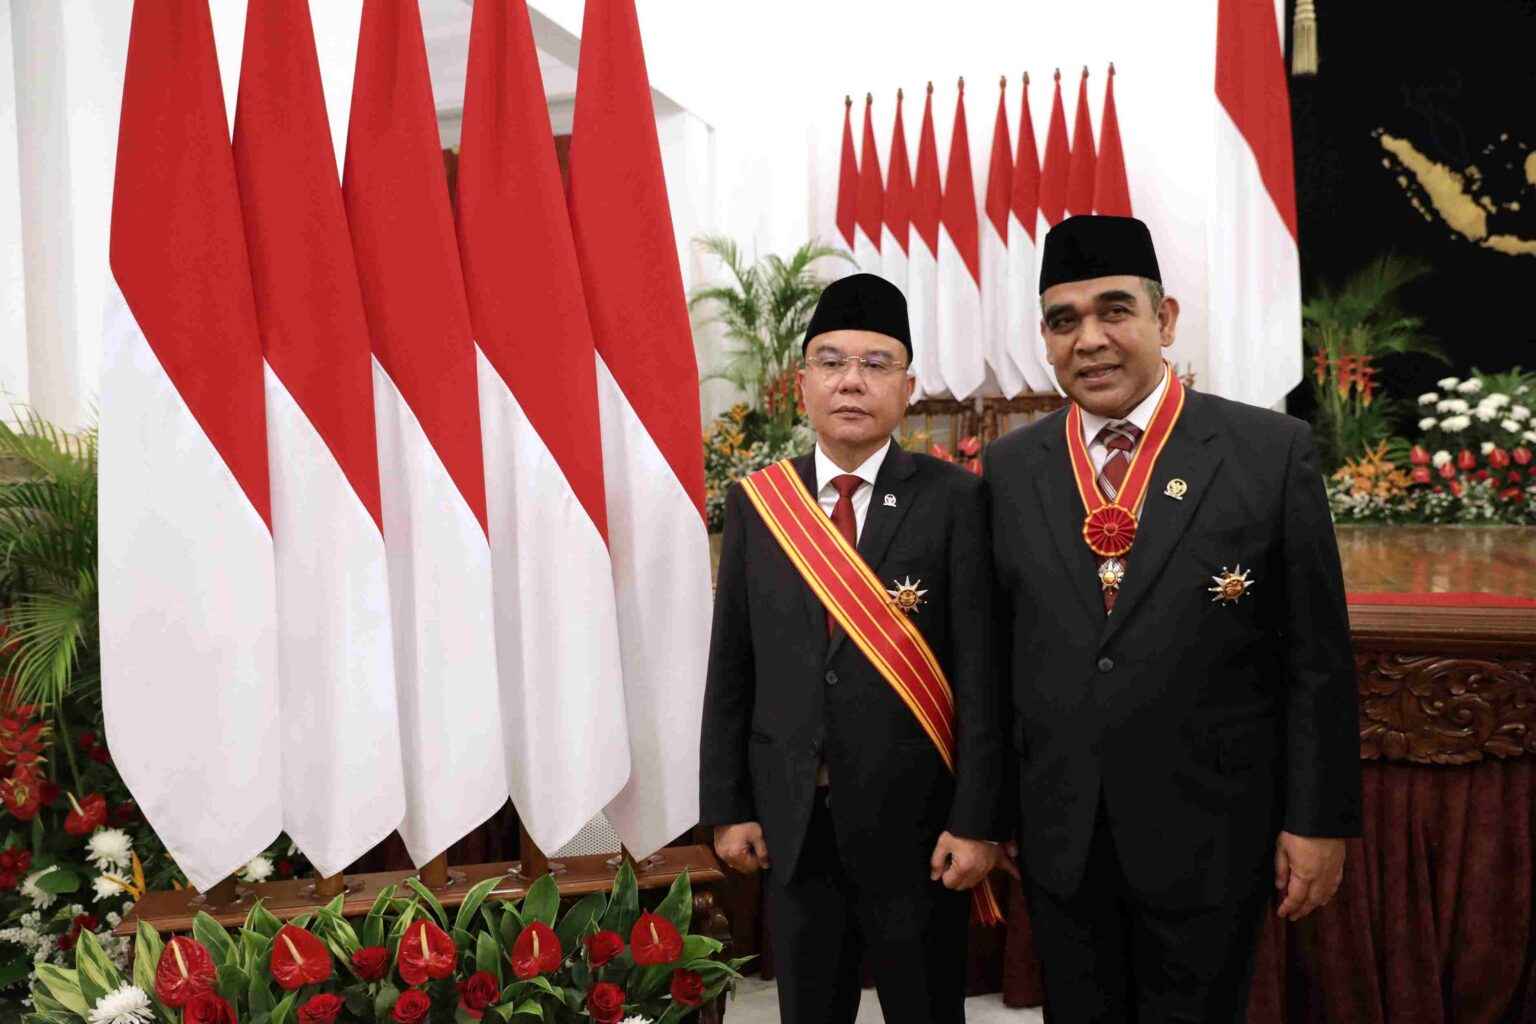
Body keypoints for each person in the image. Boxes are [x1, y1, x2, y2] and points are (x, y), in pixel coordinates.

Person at [985, 216, 1362, 1022]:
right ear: (1046, 339)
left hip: (1213, 836)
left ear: (1165, 319)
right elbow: (994, 658)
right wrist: (994, 809)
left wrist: (1318, 821)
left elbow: (1317, 660)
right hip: (1060, 836)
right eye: (1064, 320)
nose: (1090, 339)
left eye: (1115, 310)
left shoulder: (1268, 451)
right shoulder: (1011, 469)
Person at [699, 273, 1013, 1024]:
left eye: (876, 364)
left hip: (920, 826)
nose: (851, 381)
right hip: (793, 821)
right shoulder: (759, 503)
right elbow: (732, 667)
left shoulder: (956, 500)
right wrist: (728, 807)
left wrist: (976, 821)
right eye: (831, 361)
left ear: (907, 388)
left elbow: (982, 674)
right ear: (801, 382)